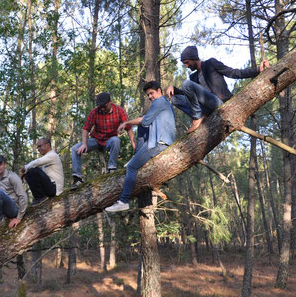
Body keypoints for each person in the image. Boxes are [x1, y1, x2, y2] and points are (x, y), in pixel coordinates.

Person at [105, 81, 176, 212]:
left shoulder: (159, 102)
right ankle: (136, 157)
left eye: (151, 93)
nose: (150, 97)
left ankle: (123, 201)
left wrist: (125, 122)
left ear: (159, 91)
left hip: (159, 143)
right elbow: (145, 121)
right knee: (142, 129)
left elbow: (145, 120)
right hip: (162, 141)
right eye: (148, 95)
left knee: (131, 167)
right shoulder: (165, 104)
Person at [166, 45, 269, 133]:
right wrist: (174, 89)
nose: (186, 66)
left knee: (186, 84)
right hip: (205, 107)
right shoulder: (193, 77)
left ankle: (197, 118)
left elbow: (233, 73)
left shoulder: (211, 63)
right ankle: (201, 116)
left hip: (219, 102)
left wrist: (257, 70)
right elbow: (190, 96)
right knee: (175, 99)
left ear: (193, 58)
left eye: (187, 62)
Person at [71, 92, 135, 186]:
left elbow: (129, 129)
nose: (102, 109)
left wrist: (134, 146)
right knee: (74, 148)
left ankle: (112, 168)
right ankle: (77, 178)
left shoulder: (119, 111)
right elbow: (86, 129)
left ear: (110, 102)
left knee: (116, 140)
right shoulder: (95, 112)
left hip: (110, 140)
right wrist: (84, 144)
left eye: (104, 106)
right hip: (96, 139)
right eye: (100, 107)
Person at [20, 138, 64, 206]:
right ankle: (39, 198)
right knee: (29, 173)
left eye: (40, 146)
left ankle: (40, 197)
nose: (38, 149)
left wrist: (25, 167)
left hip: (55, 190)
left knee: (33, 170)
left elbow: (37, 162)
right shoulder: (48, 157)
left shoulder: (52, 155)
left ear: (48, 145)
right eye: (38, 147)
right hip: (50, 188)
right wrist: (26, 173)